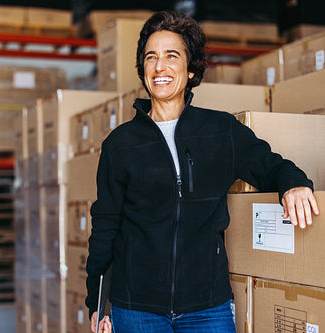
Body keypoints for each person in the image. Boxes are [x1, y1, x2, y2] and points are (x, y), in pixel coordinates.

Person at [85, 10, 320, 333]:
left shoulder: (220, 131)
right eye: (150, 57)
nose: (159, 66)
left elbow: (270, 165)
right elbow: (106, 225)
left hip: (208, 307)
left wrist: (294, 184)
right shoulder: (120, 144)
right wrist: (97, 305)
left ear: (191, 68)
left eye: (171, 56)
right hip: (136, 308)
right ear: (142, 68)